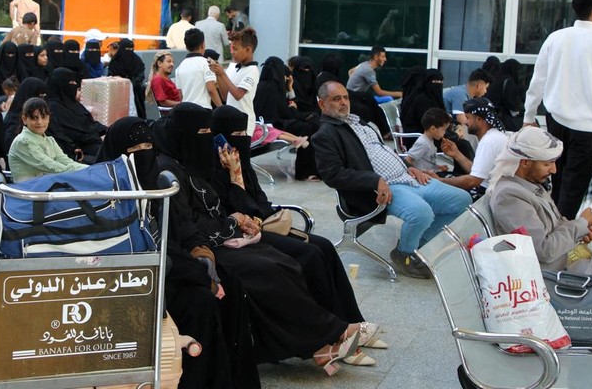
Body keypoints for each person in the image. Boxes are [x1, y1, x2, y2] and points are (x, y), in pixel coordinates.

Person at [153, 103, 374, 376]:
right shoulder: (175, 170)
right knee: (276, 267)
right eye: (203, 131)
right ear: (184, 133)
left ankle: (332, 333)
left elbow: (250, 204)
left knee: (294, 259)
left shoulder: (196, 162)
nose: (210, 138)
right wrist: (235, 207)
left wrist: (241, 202)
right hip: (206, 245)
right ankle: (332, 334)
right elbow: (193, 222)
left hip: (231, 234)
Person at [210, 105, 387, 352]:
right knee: (310, 254)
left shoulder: (240, 159)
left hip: (263, 223)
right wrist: (234, 173)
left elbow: (259, 201)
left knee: (324, 246)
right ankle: (332, 332)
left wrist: (259, 202)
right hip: (245, 233)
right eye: (236, 133)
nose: (242, 139)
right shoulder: (216, 166)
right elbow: (238, 206)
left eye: (244, 132)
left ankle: (351, 320)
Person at [96, 116, 240, 389]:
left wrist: (202, 252)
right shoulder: (104, 190)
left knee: (216, 292)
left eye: (147, 147)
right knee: (198, 300)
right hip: (128, 279)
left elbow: (182, 226)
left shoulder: (160, 184)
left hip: (169, 267)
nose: (143, 156)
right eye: (134, 151)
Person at [312, 81, 471, 279]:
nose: (344, 102)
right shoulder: (326, 134)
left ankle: (420, 246)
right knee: (421, 213)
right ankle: (404, 253)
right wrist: (374, 180)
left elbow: (384, 152)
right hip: (383, 188)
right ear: (322, 104)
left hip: (407, 177)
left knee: (463, 200)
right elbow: (332, 175)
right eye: (336, 99)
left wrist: (410, 167)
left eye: (345, 97)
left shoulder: (361, 123)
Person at [523, 0, 592, 219]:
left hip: (555, 122)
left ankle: (548, 231)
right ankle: (557, 242)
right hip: (587, 127)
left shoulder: (555, 38)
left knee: (554, 183)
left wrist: (529, 118)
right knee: (572, 190)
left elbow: (537, 81)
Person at [489, 126, 592, 274]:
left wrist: (580, 231)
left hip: (569, 259)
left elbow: (555, 227)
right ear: (525, 162)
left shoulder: (529, 184)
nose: (554, 170)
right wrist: (582, 223)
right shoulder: (509, 196)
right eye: (547, 164)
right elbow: (544, 250)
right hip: (559, 274)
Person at [253, 56, 320, 180]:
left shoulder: (263, 85)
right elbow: (285, 112)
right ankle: (305, 172)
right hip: (273, 125)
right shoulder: (273, 88)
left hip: (270, 123)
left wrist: (289, 88)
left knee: (310, 126)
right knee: (308, 128)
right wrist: (293, 108)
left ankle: (308, 170)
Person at [439, 98, 508, 199]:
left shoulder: (489, 141)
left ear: (479, 119)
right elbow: (478, 172)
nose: (466, 122)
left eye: (468, 117)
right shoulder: (493, 136)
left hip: (488, 193)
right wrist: (456, 154)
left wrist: (440, 182)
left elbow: (473, 180)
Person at [8, 97, 87, 183]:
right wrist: (87, 171)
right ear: (24, 119)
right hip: (29, 192)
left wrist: (90, 169)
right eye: (34, 118)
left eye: (43, 117)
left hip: (46, 187)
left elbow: (65, 161)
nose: (39, 122)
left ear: (49, 118)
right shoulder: (23, 142)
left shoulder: (50, 140)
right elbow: (51, 167)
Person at [45, 67, 106, 163]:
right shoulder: (53, 108)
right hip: (75, 152)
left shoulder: (74, 104)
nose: (74, 85)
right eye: (71, 83)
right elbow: (67, 134)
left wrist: (108, 130)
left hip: (91, 144)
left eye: (75, 82)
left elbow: (89, 123)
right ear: (60, 85)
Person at [208, 28, 259, 136]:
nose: (232, 52)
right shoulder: (234, 67)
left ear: (248, 50)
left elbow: (238, 95)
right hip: (229, 121)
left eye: (235, 49)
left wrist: (222, 74)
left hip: (243, 125)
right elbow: (226, 97)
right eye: (231, 48)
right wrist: (218, 74)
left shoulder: (252, 70)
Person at [176, 28, 222, 108]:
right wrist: (221, 108)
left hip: (185, 111)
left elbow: (180, 94)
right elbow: (211, 89)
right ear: (203, 45)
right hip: (202, 111)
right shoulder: (206, 63)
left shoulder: (179, 67)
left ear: (186, 47)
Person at [3, 77, 49, 152]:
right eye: (39, 96)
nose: (41, 101)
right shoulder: (14, 122)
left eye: (44, 97)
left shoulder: (45, 118)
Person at [108, 38, 147, 118]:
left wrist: (131, 84)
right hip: (118, 94)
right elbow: (111, 77)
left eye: (130, 49)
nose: (128, 51)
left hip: (136, 94)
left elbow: (140, 76)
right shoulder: (114, 62)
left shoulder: (137, 61)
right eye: (126, 49)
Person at [405, 108, 451, 175]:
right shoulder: (422, 143)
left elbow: (428, 161)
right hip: (424, 177)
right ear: (433, 129)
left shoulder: (430, 140)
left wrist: (438, 167)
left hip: (431, 174)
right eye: (443, 130)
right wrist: (416, 174)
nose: (444, 133)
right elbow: (408, 160)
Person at [486, 59, 524, 132]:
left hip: (491, 117)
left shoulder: (496, 79)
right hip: (502, 119)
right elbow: (512, 105)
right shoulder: (508, 81)